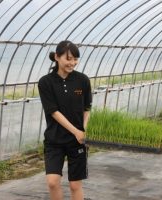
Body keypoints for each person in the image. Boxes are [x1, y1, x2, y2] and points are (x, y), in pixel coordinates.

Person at [38, 40, 92, 200]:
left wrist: (83, 130)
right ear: (57, 57)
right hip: (54, 140)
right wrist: (75, 131)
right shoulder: (45, 82)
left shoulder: (82, 80)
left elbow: (86, 108)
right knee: (53, 182)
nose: (73, 63)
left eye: (75, 59)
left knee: (75, 185)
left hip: (77, 141)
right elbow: (53, 111)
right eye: (68, 58)